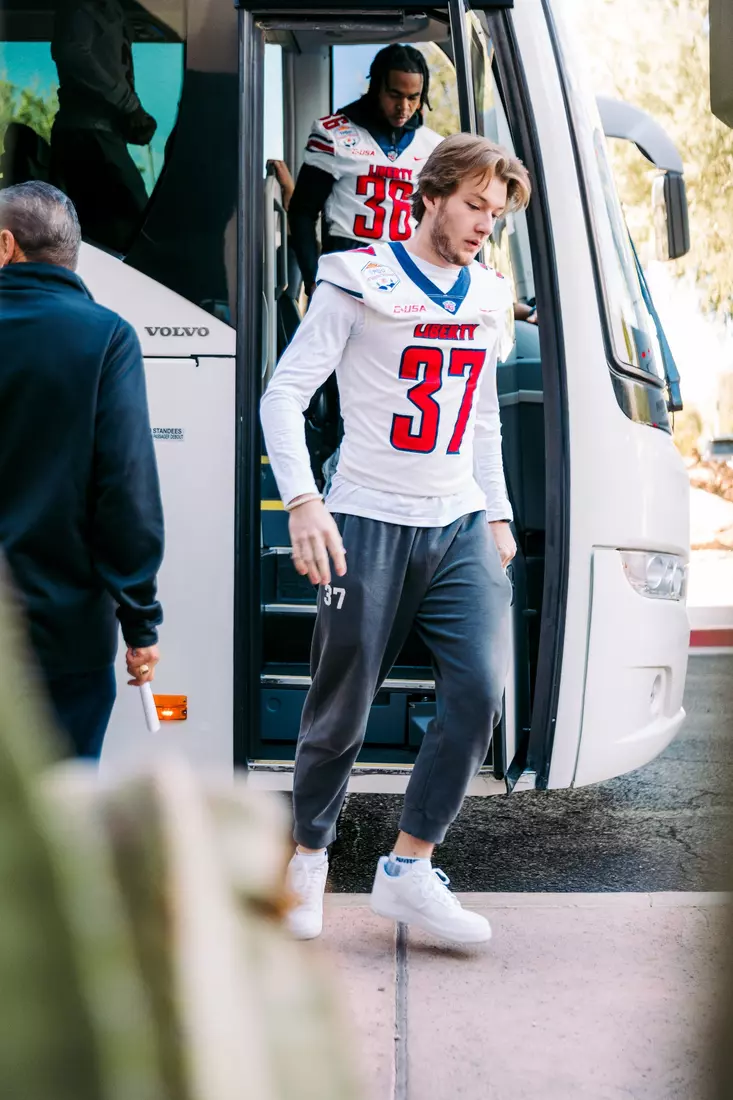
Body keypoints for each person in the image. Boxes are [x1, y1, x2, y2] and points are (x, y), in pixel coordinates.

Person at [260, 133, 531, 945]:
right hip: (366, 515)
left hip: (455, 518)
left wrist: (497, 511)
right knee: (339, 706)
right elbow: (283, 396)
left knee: (480, 692)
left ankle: (409, 868)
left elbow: (480, 415)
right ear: (434, 193)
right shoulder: (358, 277)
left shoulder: (488, 296)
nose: (485, 223)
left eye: (497, 212)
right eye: (474, 205)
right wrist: (304, 501)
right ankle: (308, 855)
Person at [0, 181, 164, 758]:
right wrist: (140, 624)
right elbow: (126, 492)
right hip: (61, 639)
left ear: (5, 246)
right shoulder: (105, 337)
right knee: (59, 821)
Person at [288, 43, 443, 295]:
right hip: (347, 262)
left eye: (413, 97)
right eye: (395, 94)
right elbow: (302, 211)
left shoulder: (433, 146)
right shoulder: (334, 134)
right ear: (376, 88)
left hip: (407, 268)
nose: (404, 106)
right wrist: (311, 277)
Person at [49, 0, 157, 254]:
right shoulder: (82, 6)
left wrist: (128, 119)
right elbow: (72, 51)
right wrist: (129, 105)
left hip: (103, 135)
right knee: (137, 229)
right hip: (87, 136)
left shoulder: (111, 9)